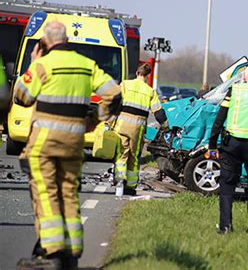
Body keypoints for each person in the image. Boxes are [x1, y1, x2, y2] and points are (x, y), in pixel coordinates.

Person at [14, 21, 122, 268]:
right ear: (67, 41)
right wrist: (94, 118)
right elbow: (114, 95)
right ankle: (72, 254)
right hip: (74, 143)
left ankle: (52, 254)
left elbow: (22, 96)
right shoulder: (86, 65)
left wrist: (33, 62)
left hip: (44, 144)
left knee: (46, 193)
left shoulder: (42, 64)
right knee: (69, 193)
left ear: (45, 42)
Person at [206, 64, 248, 234]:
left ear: (244, 77)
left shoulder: (234, 91)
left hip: (232, 145)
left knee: (227, 186)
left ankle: (225, 227)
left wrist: (212, 145)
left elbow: (219, 119)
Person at [113, 63, 169, 196]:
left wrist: (109, 120)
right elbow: (158, 112)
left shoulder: (125, 84)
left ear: (137, 73)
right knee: (134, 156)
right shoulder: (150, 91)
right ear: (147, 76)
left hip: (121, 125)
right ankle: (131, 186)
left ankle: (119, 179)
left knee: (121, 153)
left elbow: (115, 102)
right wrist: (166, 126)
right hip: (137, 129)